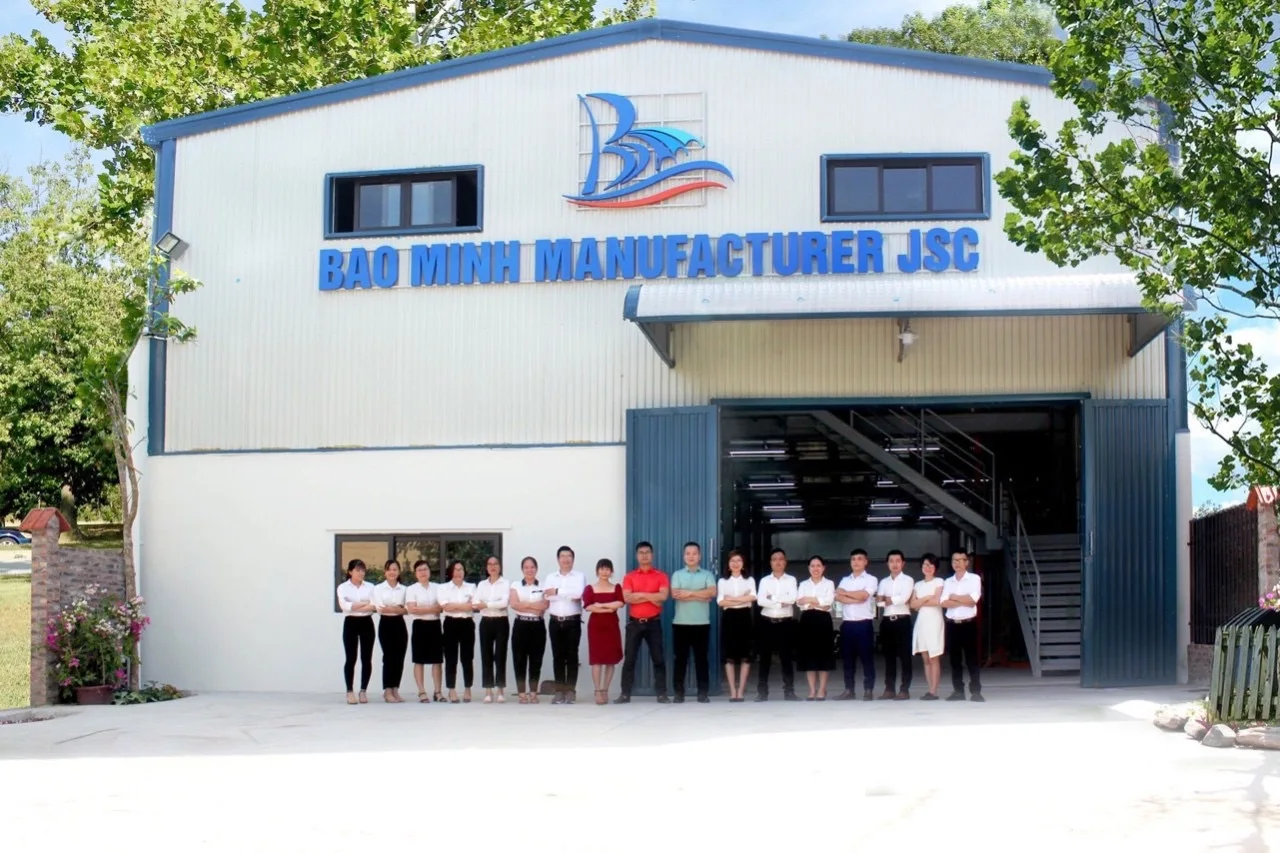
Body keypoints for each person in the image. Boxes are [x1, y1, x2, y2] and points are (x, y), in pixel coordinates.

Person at [617, 540, 671, 704]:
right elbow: (627, 598)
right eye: (641, 553)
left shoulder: (661, 576)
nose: (644, 555)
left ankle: (661, 694)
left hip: (653, 622)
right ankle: (625, 694)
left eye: (647, 552)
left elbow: (663, 597)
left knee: (658, 658)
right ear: (637, 556)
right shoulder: (629, 577)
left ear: (652, 555)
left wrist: (640, 595)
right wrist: (652, 597)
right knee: (630, 659)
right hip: (634, 623)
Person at [670, 541, 717, 703]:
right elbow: (676, 595)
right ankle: (678, 693)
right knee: (680, 659)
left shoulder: (707, 574)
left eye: (694, 553)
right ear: (684, 556)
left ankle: (703, 693)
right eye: (688, 553)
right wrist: (701, 595)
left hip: (702, 623)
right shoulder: (677, 575)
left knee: (701, 659)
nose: (691, 556)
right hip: (681, 623)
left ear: (700, 556)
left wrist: (688, 593)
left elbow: (712, 592)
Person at [755, 547, 799, 702]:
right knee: (764, 659)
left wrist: (772, 598)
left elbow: (792, 599)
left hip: (785, 623)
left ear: (785, 562)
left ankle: (789, 691)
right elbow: (761, 601)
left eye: (781, 559)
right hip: (766, 622)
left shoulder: (791, 580)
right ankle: (762, 692)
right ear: (770, 563)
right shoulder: (764, 581)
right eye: (774, 559)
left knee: (786, 658)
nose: (778, 562)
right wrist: (781, 601)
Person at [543, 545, 586, 704]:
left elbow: (579, 594)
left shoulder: (579, 576)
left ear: (573, 559)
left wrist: (558, 592)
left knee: (572, 656)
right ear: (558, 559)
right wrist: (566, 593)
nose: (565, 559)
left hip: (573, 621)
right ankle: (559, 691)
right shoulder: (550, 577)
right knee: (558, 657)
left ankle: (570, 691)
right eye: (562, 556)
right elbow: (547, 596)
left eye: (569, 556)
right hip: (555, 621)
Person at [835, 548, 878, 701]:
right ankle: (849, 690)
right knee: (847, 660)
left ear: (866, 561)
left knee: (867, 659)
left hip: (864, 624)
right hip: (847, 624)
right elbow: (838, 596)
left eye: (860, 559)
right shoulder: (845, 580)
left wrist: (847, 594)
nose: (856, 562)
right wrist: (856, 597)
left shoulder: (871, 579)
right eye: (853, 559)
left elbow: (864, 596)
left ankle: (868, 690)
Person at [941, 550, 984, 702]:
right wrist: (963, 599)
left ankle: (976, 691)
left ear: (967, 562)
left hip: (968, 624)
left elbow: (973, 600)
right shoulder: (948, 581)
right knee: (955, 660)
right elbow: (943, 602)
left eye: (961, 560)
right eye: (954, 560)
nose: (957, 563)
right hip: (952, 624)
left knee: (972, 659)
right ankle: (958, 691)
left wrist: (954, 597)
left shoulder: (974, 579)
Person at [583, 558, 624, 704]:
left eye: (607, 569)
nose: (604, 572)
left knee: (610, 660)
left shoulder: (616, 587)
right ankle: (598, 691)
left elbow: (620, 603)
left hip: (611, 626)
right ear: (597, 571)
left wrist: (600, 605)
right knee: (597, 660)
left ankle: (605, 689)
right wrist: (607, 609)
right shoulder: (590, 588)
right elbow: (588, 606)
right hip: (596, 627)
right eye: (602, 569)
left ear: (611, 571)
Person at [717, 549, 756, 702]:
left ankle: (741, 691)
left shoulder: (749, 580)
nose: (735, 564)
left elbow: (753, 597)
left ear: (743, 563)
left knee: (745, 656)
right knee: (729, 657)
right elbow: (721, 601)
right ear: (728, 564)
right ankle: (733, 691)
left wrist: (732, 599)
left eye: (739, 560)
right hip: (729, 618)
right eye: (732, 561)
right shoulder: (722, 581)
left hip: (744, 617)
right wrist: (742, 599)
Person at [876, 549, 915, 700]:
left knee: (905, 657)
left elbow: (904, 598)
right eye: (891, 561)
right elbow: (878, 603)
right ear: (887, 564)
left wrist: (888, 599)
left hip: (902, 620)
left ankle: (904, 689)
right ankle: (889, 689)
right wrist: (892, 599)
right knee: (889, 657)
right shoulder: (883, 582)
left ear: (903, 563)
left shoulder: (908, 580)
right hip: (887, 621)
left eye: (898, 561)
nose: (895, 564)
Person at [336, 558, 377, 704]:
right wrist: (363, 604)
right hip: (351, 623)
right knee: (351, 658)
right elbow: (345, 606)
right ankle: (349, 691)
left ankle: (363, 691)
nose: (361, 573)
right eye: (357, 570)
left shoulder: (370, 587)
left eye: (363, 570)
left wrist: (355, 605)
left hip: (367, 622)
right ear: (350, 572)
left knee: (366, 658)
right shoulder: (343, 587)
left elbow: (374, 605)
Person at [509, 556, 548, 704]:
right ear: (522, 569)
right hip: (521, 625)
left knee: (536, 660)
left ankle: (533, 692)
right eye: (526, 567)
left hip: (538, 626)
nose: (529, 570)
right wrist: (533, 606)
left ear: (536, 569)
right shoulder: (515, 585)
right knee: (519, 660)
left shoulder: (543, 585)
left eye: (532, 567)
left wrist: (524, 604)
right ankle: (521, 693)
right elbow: (514, 604)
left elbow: (544, 606)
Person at [796, 555, 836, 700]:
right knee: (809, 656)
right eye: (812, 566)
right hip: (807, 620)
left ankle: (822, 689)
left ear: (823, 568)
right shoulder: (803, 584)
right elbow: (800, 603)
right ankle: (812, 690)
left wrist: (810, 600)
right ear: (809, 568)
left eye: (818, 565)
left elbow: (828, 602)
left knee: (823, 655)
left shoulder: (829, 583)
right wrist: (818, 601)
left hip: (823, 620)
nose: (815, 568)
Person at [438, 560, 477, 703]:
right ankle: (451, 690)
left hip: (467, 624)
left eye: (461, 569)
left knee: (467, 658)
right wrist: (464, 605)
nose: (459, 572)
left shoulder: (471, 587)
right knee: (451, 658)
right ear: (451, 572)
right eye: (456, 569)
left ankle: (468, 688)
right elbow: (446, 607)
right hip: (450, 624)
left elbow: (474, 605)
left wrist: (456, 606)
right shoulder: (443, 588)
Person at [405, 559, 444, 702]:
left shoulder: (438, 588)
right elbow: (412, 609)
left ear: (429, 571)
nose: (422, 572)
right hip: (419, 626)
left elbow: (441, 607)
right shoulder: (411, 589)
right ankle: (421, 691)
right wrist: (432, 608)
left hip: (435, 625)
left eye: (425, 569)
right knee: (419, 659)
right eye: (419, 570)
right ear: (415, 573)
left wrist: (422, 609)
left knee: (437, 660)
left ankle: (438, 692)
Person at [474, 555, 511, 704]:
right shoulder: (482, 584)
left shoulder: (506, 583)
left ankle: (500, 690)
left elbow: (504, 603)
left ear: (499, 567)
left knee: (500, 655)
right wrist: (492, 603)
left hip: (501, 621)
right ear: (486, 567)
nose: (493, 566)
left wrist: (487, 604)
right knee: (486, 655)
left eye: (495, 564)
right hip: (486, 622)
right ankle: (488, 691)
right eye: (490, 564)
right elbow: (476, 603)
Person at [910, 553, 945, 700]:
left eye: (931, 565)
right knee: (925, 657)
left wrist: (921, 602)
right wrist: (926, 598)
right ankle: (929, 689)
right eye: (925, 564)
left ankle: (933, 691)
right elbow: (912, 604)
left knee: (934, 657)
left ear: (935, 567)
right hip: (922, 621)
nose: (928, 567)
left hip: (934, 620)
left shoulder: (939, 581)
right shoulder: (917, 585)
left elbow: (937, 601)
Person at [373, 559, 409, 703]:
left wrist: (395, 608)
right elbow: (381, 608)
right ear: (385, 572)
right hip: (386, 624)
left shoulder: (404, 589)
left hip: (400, 624)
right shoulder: (378, 588)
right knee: (388, 657)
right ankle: (387, 690)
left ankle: (395, 689)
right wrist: (398, 607)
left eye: (395, 569)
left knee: (399, 657)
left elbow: (407, 610)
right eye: (389, 569)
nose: (392, 572)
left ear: (399, 572)